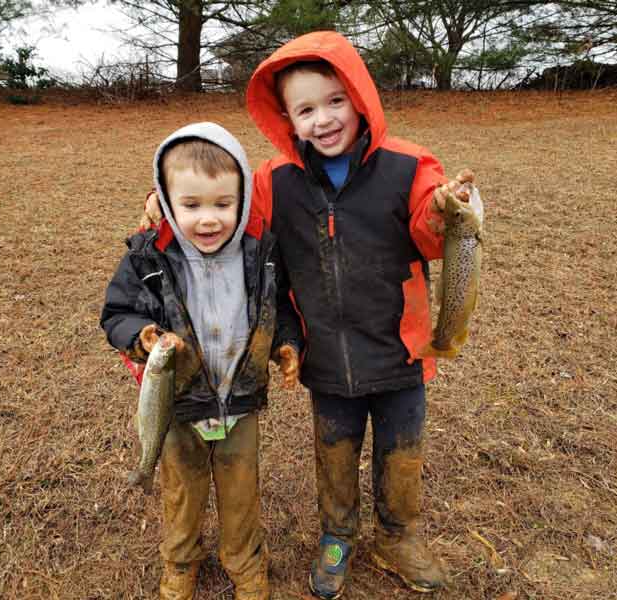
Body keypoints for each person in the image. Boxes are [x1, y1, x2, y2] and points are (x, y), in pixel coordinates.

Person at [142, 33, 474, 598]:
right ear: (287, 119)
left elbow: (431, 227)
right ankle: (338, 534)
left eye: (335, 101)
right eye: (306, 109)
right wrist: (167, 215)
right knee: (335, 450)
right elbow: (230, 223)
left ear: (361, 97)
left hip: (400, 349)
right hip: (326, 356)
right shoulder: (274, 181)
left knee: (402, 452)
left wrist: (446, 209)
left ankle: (398, 535)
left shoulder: (408, 165)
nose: (323, 119)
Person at [101, 122, 302, 600]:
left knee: (241, 495)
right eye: (191, 206)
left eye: (222, 204)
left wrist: (287, 346)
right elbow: (117, 314)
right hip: (178, 408)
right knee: (182, 494)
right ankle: (180, 561)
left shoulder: (262, 256)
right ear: (167, 201)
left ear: (244, 199)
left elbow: (281, 308)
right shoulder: (146, 257)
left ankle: (246, 562)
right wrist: (140, 335)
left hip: (241, 403)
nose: (208, 219)